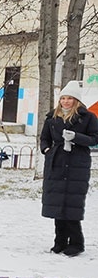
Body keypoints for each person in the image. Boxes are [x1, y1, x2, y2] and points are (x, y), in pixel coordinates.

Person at [40, 80, 98, 257]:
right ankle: (59, 241)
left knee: (72, 205)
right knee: (57, 204)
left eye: (69, 98)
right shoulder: (52, 117)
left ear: (76, 100)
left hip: (77, 165)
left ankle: (76, 243)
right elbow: (44, 138)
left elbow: (95, 139)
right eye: (63, 98)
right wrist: (47, 150)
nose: (65, 102)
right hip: (56, 163)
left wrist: (76, 137)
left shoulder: (88, 117)